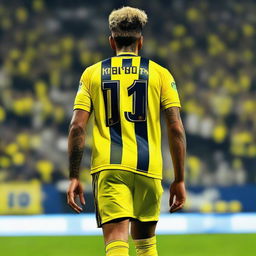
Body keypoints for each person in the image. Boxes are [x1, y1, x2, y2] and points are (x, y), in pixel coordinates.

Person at [67, 6, 186, 256]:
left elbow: (77, 126)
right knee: (146, 247)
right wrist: (179, 178)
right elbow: (175, 128)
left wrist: (73, 176)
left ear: (111, 41)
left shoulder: (92, 74)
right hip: (149, 167)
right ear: (140, 42)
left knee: (116, 242)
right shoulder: (160, 74)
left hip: (110, 167)